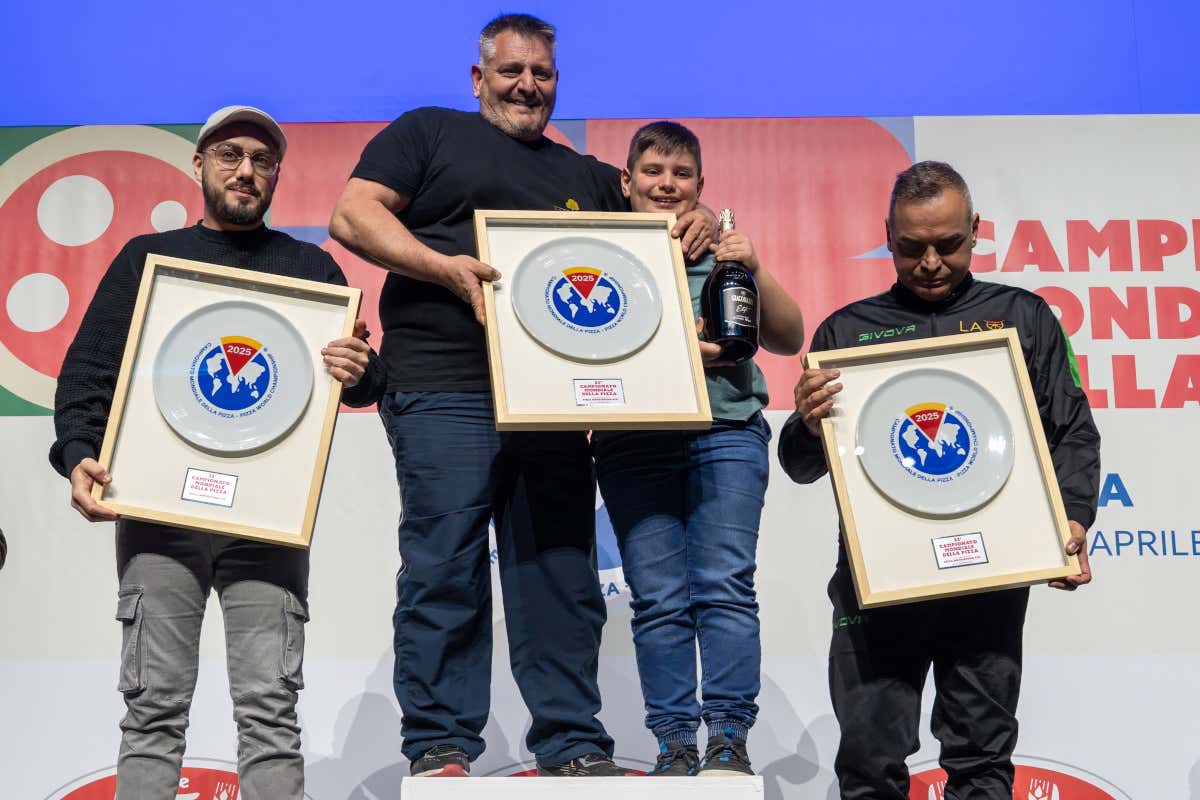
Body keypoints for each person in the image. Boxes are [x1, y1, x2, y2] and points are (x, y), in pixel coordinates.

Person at [328, 12, 714, 779]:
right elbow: (352, 214)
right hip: (443, 385)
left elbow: (653, 215)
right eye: (512, 71)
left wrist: (696, 217)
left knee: (561, 571)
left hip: (553, 400)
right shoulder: (429, 133)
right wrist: (445, 269)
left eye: (541, 73)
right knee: (445, 564)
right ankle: (440, 744)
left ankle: (571, 742)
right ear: (479, 78)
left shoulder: (584, 176)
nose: (527, 85)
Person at [49, 105, 386, 800]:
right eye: (230, 155)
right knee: (152, 712)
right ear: (199, 165)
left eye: (262, 161)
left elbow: (363, 381)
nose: (246, 171)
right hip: (158, 516)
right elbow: (88, 373)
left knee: (270, 714)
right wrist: (78, 453)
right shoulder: (148, 259)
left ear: (277, 176)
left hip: (267, 520)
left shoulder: (310, 269)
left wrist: (362, 369)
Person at [779, 161, 1100, 799]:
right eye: (910, 248)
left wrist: (1070, 519)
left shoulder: (1024, 317)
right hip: (879, 583)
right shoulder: (846, 331)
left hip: (989, 578)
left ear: (976, 230)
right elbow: (800, 464)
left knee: (982, 761)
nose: (930, 263)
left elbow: (1073, 432)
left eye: (948, 244)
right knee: (868, 764)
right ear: (887, 237)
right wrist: (808, 425)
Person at [591, 122, 804, 777]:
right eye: (652, 171)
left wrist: (753, 265)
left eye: (681, 174)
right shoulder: (599, 253)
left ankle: (729, 739)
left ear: (701, 185)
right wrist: (676, 347)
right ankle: (675, 743)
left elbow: (790, 337)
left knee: (725, 587)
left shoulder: (724, 251)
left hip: (727, 430)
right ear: (626, 181)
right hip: (633, 440)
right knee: (657, 598)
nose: (666, 184)